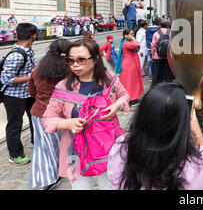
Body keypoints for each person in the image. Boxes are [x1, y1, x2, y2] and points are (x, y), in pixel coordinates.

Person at [42, 38, 130, 190]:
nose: (75, 65)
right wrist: (67, 123)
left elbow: (124, 95)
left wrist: (118, 105)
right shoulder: (63, 87)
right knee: (80, 187)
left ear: (96, 58)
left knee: (110, 184)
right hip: (74, 148)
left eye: (81, 60)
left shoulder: (110, 80)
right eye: (71, 60)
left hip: (107, 145)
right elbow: (48, 119)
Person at [107, 82, 203, 190]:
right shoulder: (190, 165)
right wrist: (198, 135)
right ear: (180, 125)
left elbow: (114, 178)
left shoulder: (123, 146)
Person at [28, 38, 71, 189]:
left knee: (43, 147)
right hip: (62, 115)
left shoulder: (39, 67)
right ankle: (61, 171)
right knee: (63, 144)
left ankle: (47, 177)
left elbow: (31, 91)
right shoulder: (70, 70)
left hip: (39, 113)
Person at [1, 23, 37, 165]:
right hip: (14, 97)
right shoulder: (17, 55)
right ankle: (15, 155)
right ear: (33, 36)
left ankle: (38, 143)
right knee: (15, 125)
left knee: (35, 119)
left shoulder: (28, 50)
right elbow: (6, 79)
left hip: (28, 94)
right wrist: (31, 77)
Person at [116, 29, 144, 105]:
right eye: (131, 34)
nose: (133, 36)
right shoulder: (126, 43)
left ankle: (131, 98)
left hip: (129, 65)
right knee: (130, 83)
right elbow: (137, 45)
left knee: (130, 82)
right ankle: (132, 99)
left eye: (133, 34)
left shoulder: (126, 43)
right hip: (129, 66)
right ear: (126, 35)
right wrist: (133, 39)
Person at [151, 19, 174, 87]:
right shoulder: (171, 33)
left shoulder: (156, 33)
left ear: (160, 25)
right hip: (168, 56)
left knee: (156, 73)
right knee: (168, 73)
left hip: (158, 56)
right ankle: (169, 87)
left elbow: (153, 46)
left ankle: (155, 87)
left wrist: (153, 56)